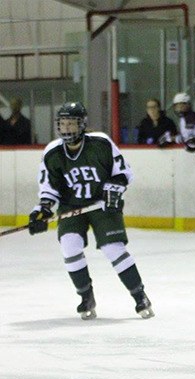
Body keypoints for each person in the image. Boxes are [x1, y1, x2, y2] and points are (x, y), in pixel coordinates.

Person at [27, 102, 153, 320]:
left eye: (71, 124)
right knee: (69, 246)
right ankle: (86, 296)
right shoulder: (52, 153)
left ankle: (139, 295)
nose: (66, 129)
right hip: (71, 206)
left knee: (113, 248)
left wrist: (113, 188)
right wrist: (44, 210)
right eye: (63, 124)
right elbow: (49, 188)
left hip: (102, 203)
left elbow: (123, 173)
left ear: (82, 124)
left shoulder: (101, 143)